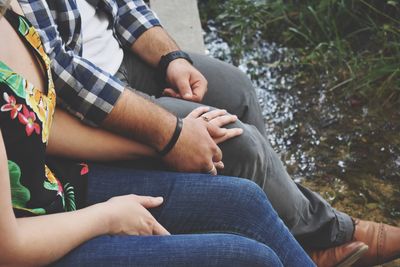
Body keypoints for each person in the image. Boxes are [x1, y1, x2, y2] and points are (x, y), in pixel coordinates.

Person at [16, 0, 400, 266]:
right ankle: (325, 234)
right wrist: (170, 135)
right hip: (83, 102)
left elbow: (124, 6)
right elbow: (62, 75)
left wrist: (172, 59)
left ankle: (294, 232)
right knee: (235, 141)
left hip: (120, 60)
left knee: (237, 90)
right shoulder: (12, 27)